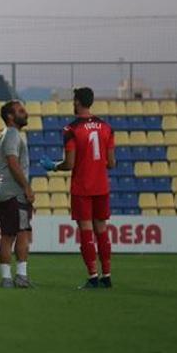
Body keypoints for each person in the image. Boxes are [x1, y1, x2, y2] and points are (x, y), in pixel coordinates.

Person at [40, 87, 115, 289]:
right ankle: (106, 276)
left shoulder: (71, 130)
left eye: (74, 100)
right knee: (102, 230)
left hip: (82, 187)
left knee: (86, 232)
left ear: (79, 102)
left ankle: (92, 277)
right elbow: (112, 163)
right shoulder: (106, 127)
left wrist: (54, 166)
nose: (73, 104)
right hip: (101, 186)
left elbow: (70, 164)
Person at [0, 100, 34, 289]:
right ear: (10, 116)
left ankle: (6, 278)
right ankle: (20, 276)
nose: (25, 113)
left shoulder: (6, 134)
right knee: (22, 232)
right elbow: (12, 162)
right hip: (15, 193)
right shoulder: (12, 134)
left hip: (4, 192)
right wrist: (26, 187)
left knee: (8, 235)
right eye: (21, 111)